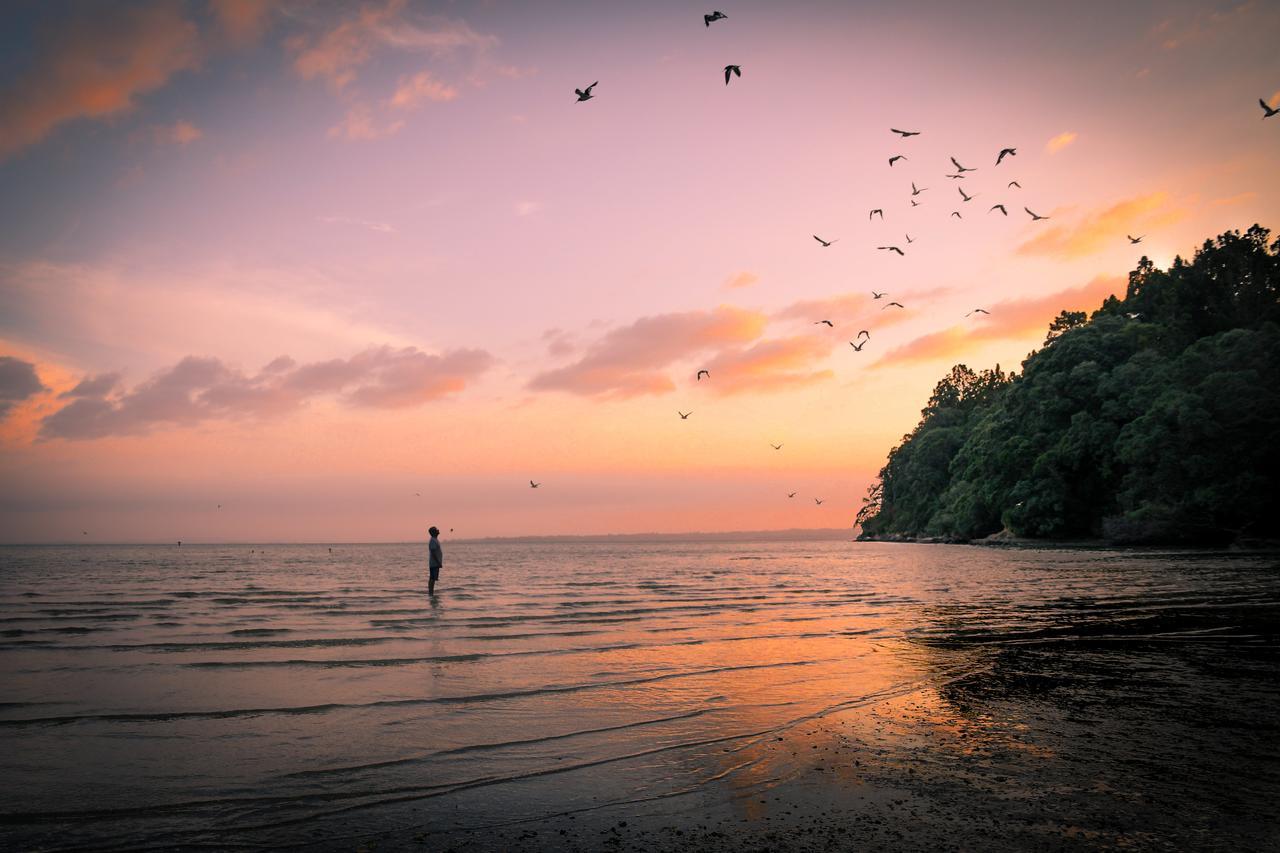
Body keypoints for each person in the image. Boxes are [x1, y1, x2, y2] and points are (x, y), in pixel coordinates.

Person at [428, 526, 443, 595]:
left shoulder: (435, 540)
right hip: (434, 563)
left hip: (435, 563)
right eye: (436, 529)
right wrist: (438, 562)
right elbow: (433, 553)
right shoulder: (433, 540)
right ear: (433, 532)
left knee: (433, 578)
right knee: (432, 578)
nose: (438, 530)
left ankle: (431, 592)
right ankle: (430, 593)